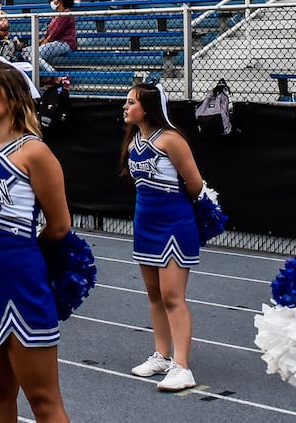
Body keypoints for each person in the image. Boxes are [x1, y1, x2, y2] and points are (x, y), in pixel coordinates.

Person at [0, 61, 71, 422]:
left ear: (12, 97)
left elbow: (59, 225)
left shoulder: (34, 152)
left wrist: (23, 255)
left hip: (21, 281)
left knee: (43, 400)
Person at [121, 83, 205, 392]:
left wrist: (176, 208)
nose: (125, 106)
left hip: (174, 225)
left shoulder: (171, 139)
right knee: (154, 294)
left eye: (131, 102)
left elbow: (195, 184)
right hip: (145, 224)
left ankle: (182, 367)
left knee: (172, 296)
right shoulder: (133, 142)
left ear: (148, 108)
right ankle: (162, 355)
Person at [37, 0, 77, 73]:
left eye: (54, 0)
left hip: (64, 43)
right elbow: (49, 32)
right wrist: (42, 40)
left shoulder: (66, 14)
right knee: (27, 52)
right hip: (54, 42)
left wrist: (45, 41)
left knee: (34, 55)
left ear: (60, 1)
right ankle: (47, 76)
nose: (52, 2)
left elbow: (56, 32)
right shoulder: (56, 15)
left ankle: (55, 75)